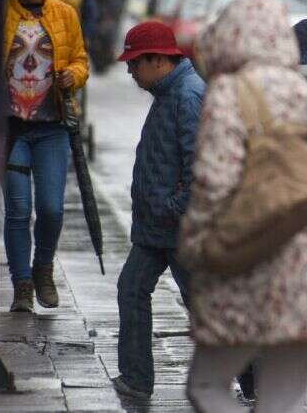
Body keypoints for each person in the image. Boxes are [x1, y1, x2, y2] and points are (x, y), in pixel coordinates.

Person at [178, 0, 307, 413]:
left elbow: (214, 183)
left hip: (249, 259)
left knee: (206, 385)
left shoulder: (230, 93)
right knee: (286, 398)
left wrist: (197, 245)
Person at [111, 22, 205, 399]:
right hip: (158, 227)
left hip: (178, 226)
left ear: (158, 60)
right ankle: (136, 379)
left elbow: (201, 168)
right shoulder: (169, 93)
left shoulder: (188, 96)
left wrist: (173, 208)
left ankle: (253, 372)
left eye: (135, 63)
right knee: (132, 289)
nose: (131, 71)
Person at [2, 0, 89, 313]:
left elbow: (82, 60)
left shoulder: (65, 14)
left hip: (52, 128)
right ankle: (22, 284)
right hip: (12, 130)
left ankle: (42, 268)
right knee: (18, 210)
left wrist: (73, 75)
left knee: (52, 209)